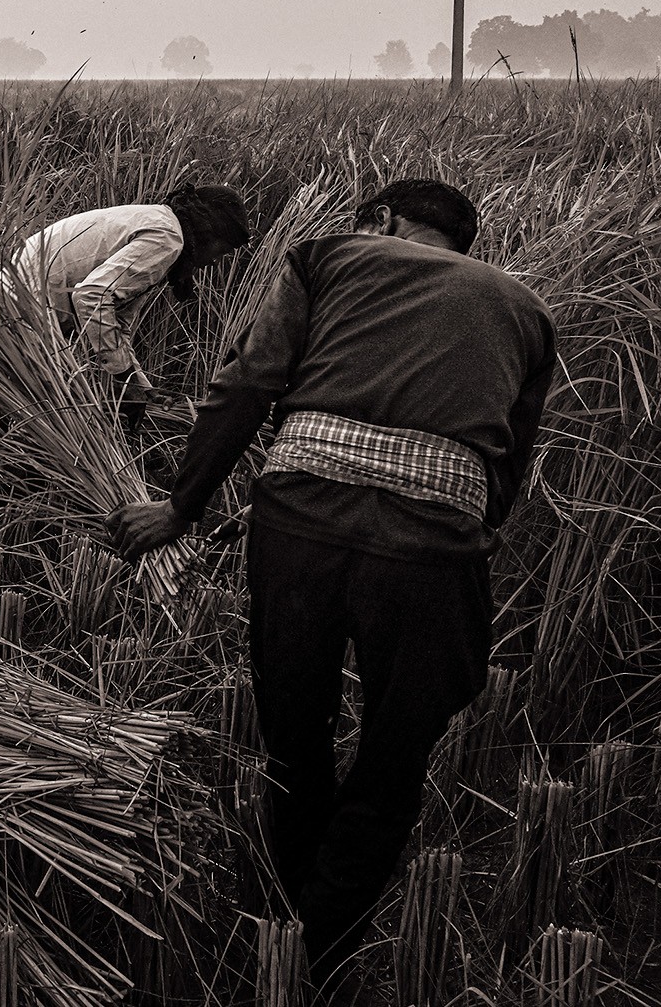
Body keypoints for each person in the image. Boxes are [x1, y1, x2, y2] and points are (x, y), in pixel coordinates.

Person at [107, 179, 557, 999]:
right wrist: (454, 534)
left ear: (382, 222)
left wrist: (180, 504)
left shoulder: (325, 256)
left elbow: (247, 385)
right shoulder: (524, 307)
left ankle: (284, 930)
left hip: (302, 528)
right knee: (394, 755)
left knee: (294, 732)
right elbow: (507, 468)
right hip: (430, 550)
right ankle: (323, 945)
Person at [11, 186, 251, 414]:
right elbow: (92, 295)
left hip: (15, 298)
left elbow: (118, 324)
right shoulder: (167, 239)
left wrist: (143, 388)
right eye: (223, 250)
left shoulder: (159, 225)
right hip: (21, 308)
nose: (217, 261)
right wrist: (123, 378)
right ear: (208, 230)